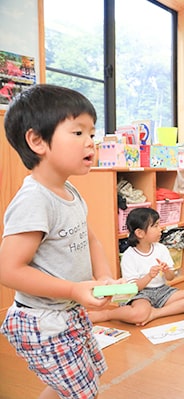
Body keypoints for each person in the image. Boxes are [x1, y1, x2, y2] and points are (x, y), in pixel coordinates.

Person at [0, 84, 119, 399]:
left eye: (92, 133)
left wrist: (103, 277)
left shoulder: (70, 192)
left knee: (73, 382)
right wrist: (72, 289)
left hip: (67, 310)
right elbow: (9, 271)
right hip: (42, 320)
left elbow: (89, 237)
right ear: (37, 140)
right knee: (81, 392)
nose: (91, 142)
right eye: (78, 133)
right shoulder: (34, 200)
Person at [88, 208, 184, 326]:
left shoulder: (161, 249)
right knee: (139, 314)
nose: (160, 229)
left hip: (162, 290)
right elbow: (134, 287)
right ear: (140, 233)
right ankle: (107, 314)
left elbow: (170, 278)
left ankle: (155, 313)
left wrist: (167, 270)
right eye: (155, 226)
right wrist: (149, 276)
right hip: (141, 293)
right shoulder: (129, 255)